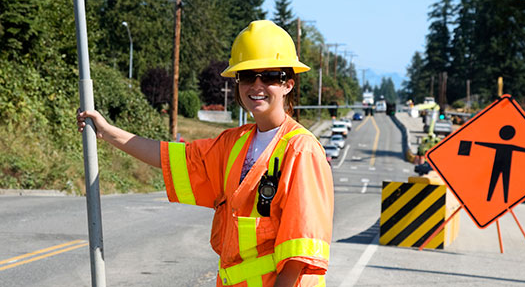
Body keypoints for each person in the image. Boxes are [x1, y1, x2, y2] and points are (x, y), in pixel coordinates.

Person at [77, 20, 334, 287]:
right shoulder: (233, 144)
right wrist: (107, 132)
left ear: (288, 84)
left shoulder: (301, 151)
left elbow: (298, 256)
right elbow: (170, 158)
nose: (256, 85)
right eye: (247, 76)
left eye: (269, 76)